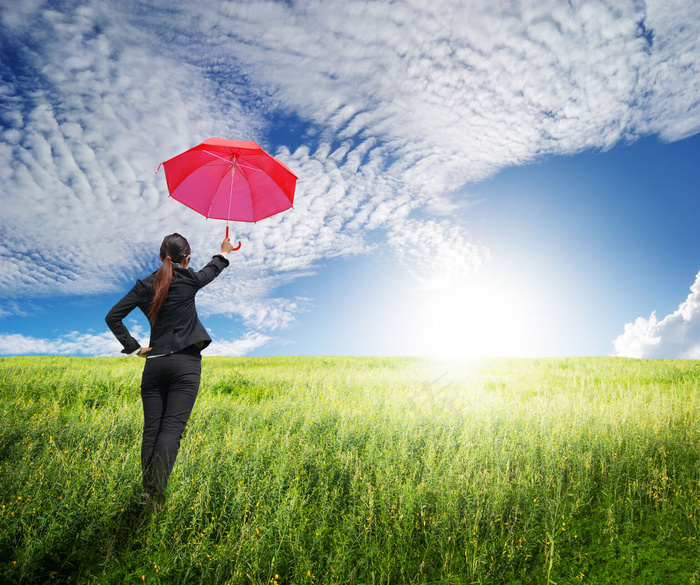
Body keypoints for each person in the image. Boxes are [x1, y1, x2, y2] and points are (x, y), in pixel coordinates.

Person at [106, 233, 236, 508]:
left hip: (154, 364)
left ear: (160, 257)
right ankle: (155, 495)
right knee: (171, 430)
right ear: (186, 258)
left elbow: (113, 317)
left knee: (152, 429)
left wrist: (135, 348)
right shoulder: (188, 279)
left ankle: (148, 494)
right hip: (185, 364)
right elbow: (212, 270)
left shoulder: (144, 285)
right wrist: (224, 251)